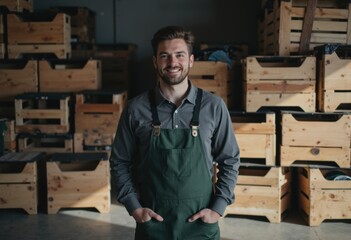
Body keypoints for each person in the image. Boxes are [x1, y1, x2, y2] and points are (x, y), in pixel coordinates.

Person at [110, 25, 240, 240]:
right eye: (165, 56)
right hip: (152, 224)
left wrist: (218, 208)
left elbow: (230, 159)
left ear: (190, 60)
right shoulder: (135, 109)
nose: (172, 63)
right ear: (155, 62)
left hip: (200, 225)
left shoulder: (213, 107)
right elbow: (119, 161)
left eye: (180, 55)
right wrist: (134, 207)